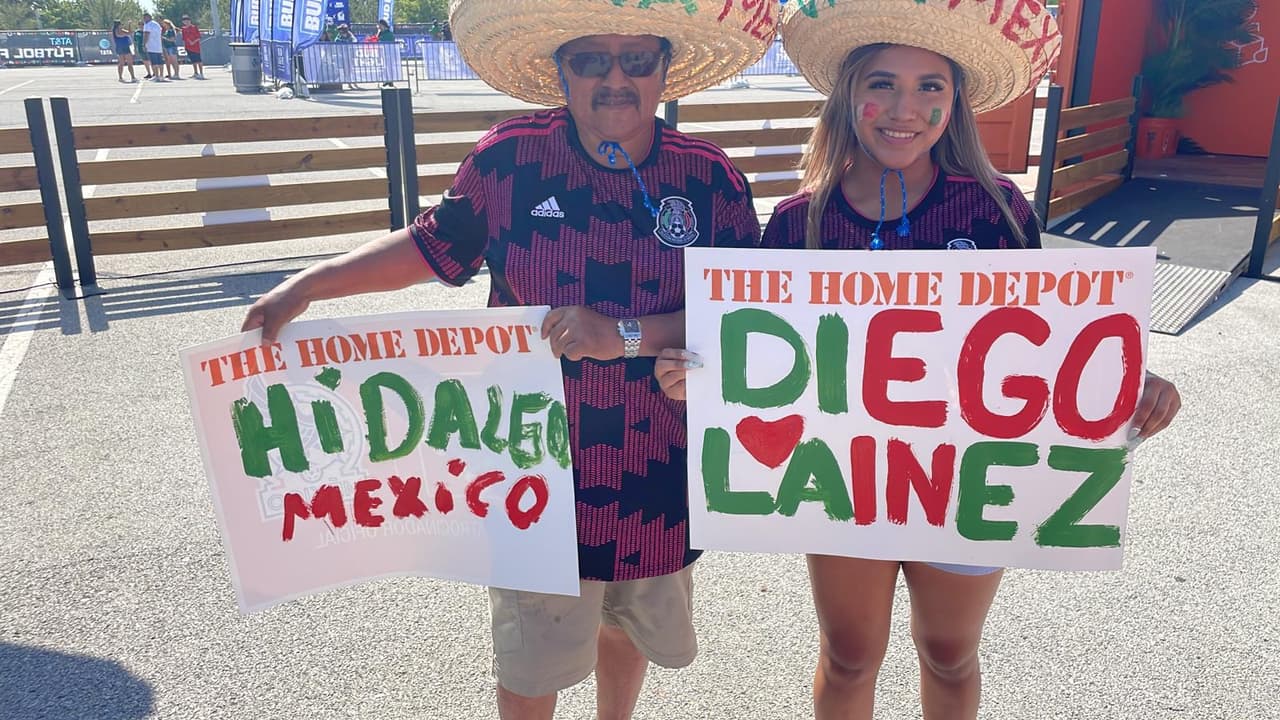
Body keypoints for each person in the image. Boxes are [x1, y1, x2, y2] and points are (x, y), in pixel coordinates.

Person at [239, 1, 771, 718]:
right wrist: (305, 287)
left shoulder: (710, 177)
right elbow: (433, 245)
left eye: (636, 59)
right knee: (532, 660)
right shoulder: (510, 157)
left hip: (662, 464)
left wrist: (628, 335)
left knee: (631, 624)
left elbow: (745, 310)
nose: (615, 78)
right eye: (591, 59)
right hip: (536, 468)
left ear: (664, 69)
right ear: (560, 71)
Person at [654, 2, 1184, 719]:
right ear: (848, 95)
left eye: (930, 85)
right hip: (844, 479)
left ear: (955, 100)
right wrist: (700, 378)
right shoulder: (799, 222)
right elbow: (749, 356)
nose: (905, 108)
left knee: (950, 654)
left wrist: (1129, 382)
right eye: (883, 83)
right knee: (847, 659)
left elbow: (1050, 347)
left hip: (962, 481)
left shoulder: (997, 211)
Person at [142, 13, 164, 82]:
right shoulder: (156, 24)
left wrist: (144, 44)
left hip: (151, 46)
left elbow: (146, 34)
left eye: (145, 18)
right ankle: (161, 75)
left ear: (149, 17)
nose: (144, 19)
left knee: (154, 62)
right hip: (158, 46)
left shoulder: (147, 25)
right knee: (160, 62)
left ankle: (156, 76)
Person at [375, 19, 395, 87]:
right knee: (384, 67)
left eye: (379, 25)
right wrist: (378, 32)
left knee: (389, 66)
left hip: (389, 52)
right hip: (382, 52)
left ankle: (390, 80)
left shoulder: (389, 33)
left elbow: (388, 41)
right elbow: (376, 39)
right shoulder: (380, 33)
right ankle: (386, 80)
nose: (378, 27)